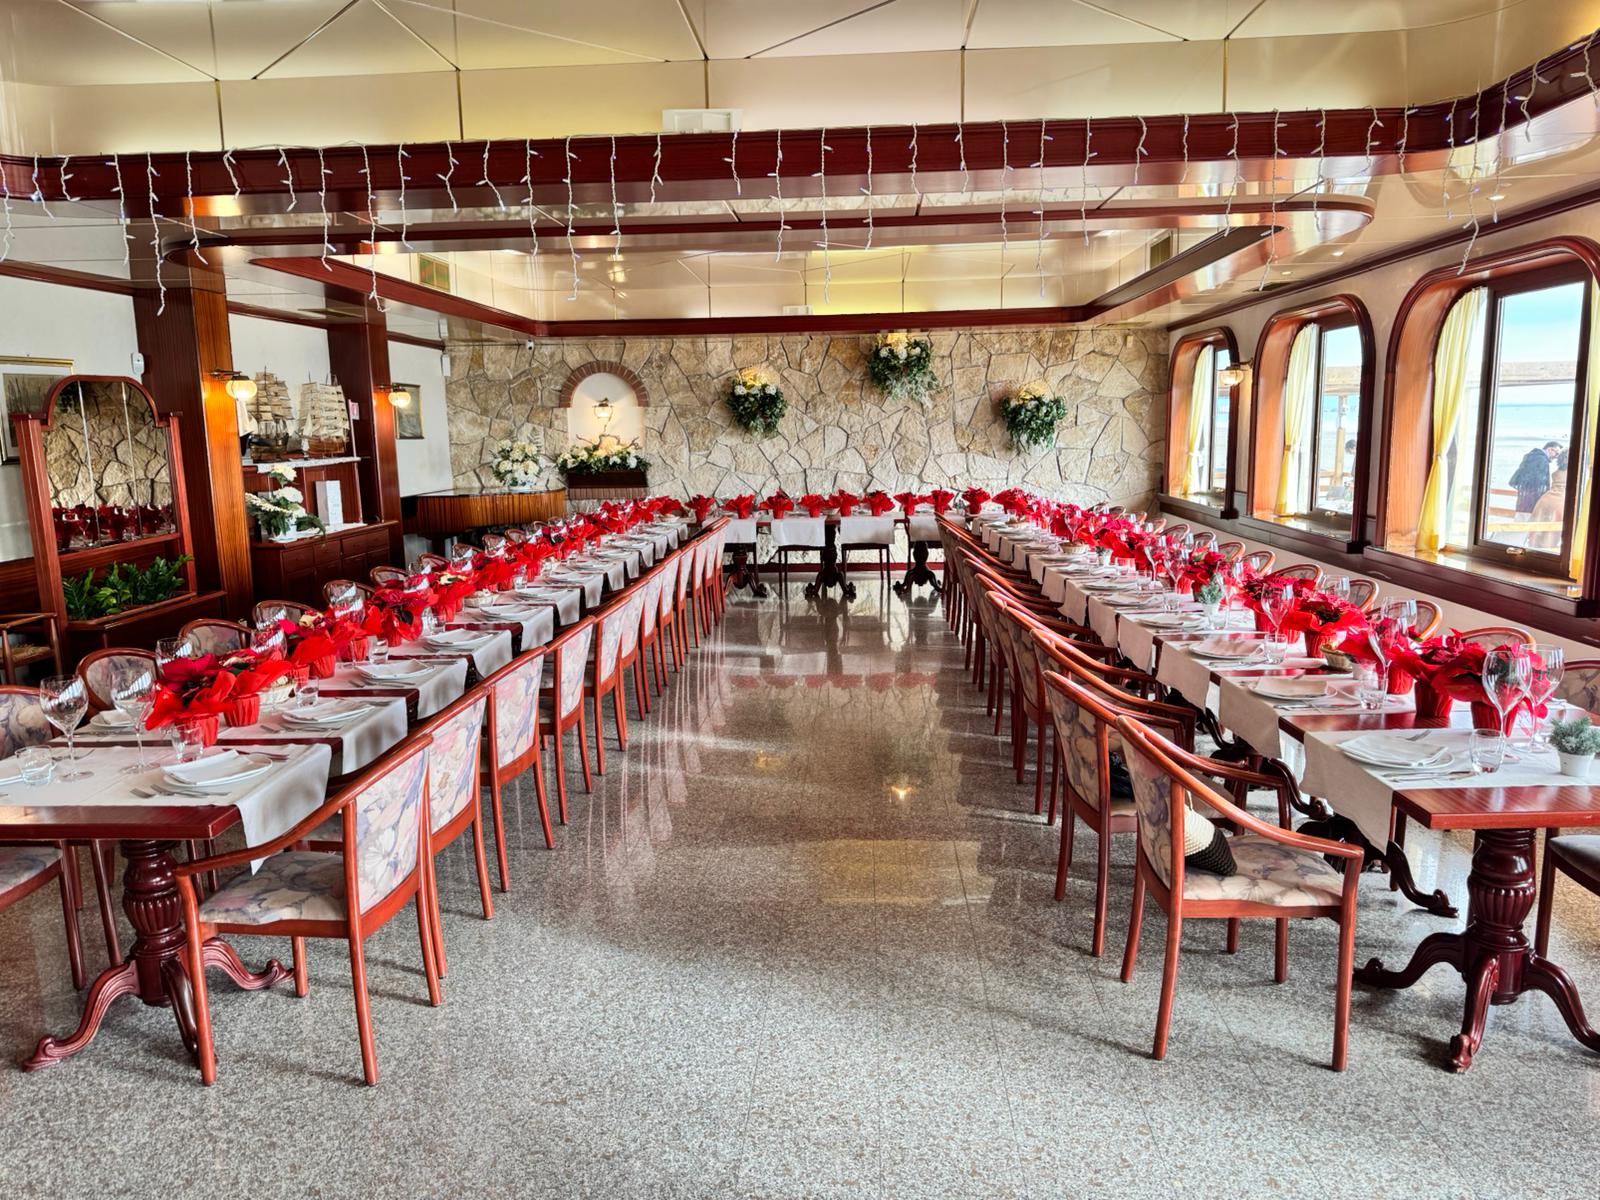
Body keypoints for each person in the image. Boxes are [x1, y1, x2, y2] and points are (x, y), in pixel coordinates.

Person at [1529, 449, 1569, 550]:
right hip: (1561, 501)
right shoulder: (1576, 472)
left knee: (1540, 531)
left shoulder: (1558, 471)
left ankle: (1537, 551)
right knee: (1553, 532)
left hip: (1545, 500)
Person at [1509, 441, 1562, 514]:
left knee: (1521, 516)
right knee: (1529, 517)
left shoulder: (1530, 456)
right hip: (1532, 499)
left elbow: (1521, 477)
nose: (1556, 457)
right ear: (1549, 449)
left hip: (1523, 497)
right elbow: (1540, 483)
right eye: (1557, 453)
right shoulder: (1542, 460)